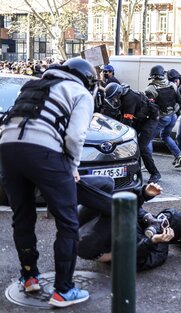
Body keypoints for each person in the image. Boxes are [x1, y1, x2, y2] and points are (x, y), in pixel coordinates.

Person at [0, 58, 97, 307]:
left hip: (7, 148)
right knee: (67, 222)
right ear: (88, 79)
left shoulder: (35, 86)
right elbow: (75, 135)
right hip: (44, 151)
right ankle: (63, 290)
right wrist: (72, 167)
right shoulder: (80, 93)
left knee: (22, 216)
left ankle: (29, 276)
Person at [76, 175, 181, 271]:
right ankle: (67, 186)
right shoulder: (149, 220)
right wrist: (144, 193)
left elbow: (133, 263)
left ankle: (65, 185)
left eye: (166, 222)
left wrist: (152, 241)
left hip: (90, 245)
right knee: (107, 183)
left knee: (122, 209)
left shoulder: (159, 251)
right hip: (82, 223)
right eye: (162, 216)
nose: (160, 220)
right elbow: (129, 204)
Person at [103, 82, 161, 183]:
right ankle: (136, 170)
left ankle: (155, 173)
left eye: (114, 98)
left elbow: (127, 124)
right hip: (140, 118)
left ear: (118, 94)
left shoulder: (129, 100)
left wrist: (118, 138)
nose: (114, 101)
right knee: (133, 145)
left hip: (150, 120)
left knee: (141, 147)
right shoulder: (123, 98)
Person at [145, 65, 181, 168]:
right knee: (165, 136)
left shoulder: (151, 89)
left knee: (148, 138)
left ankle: (148, 164)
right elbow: (180, 101)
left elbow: (150, 108)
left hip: (162, 118)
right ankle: (179, 155)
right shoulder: (172, 85)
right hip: (173, 117)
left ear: (153, 76)